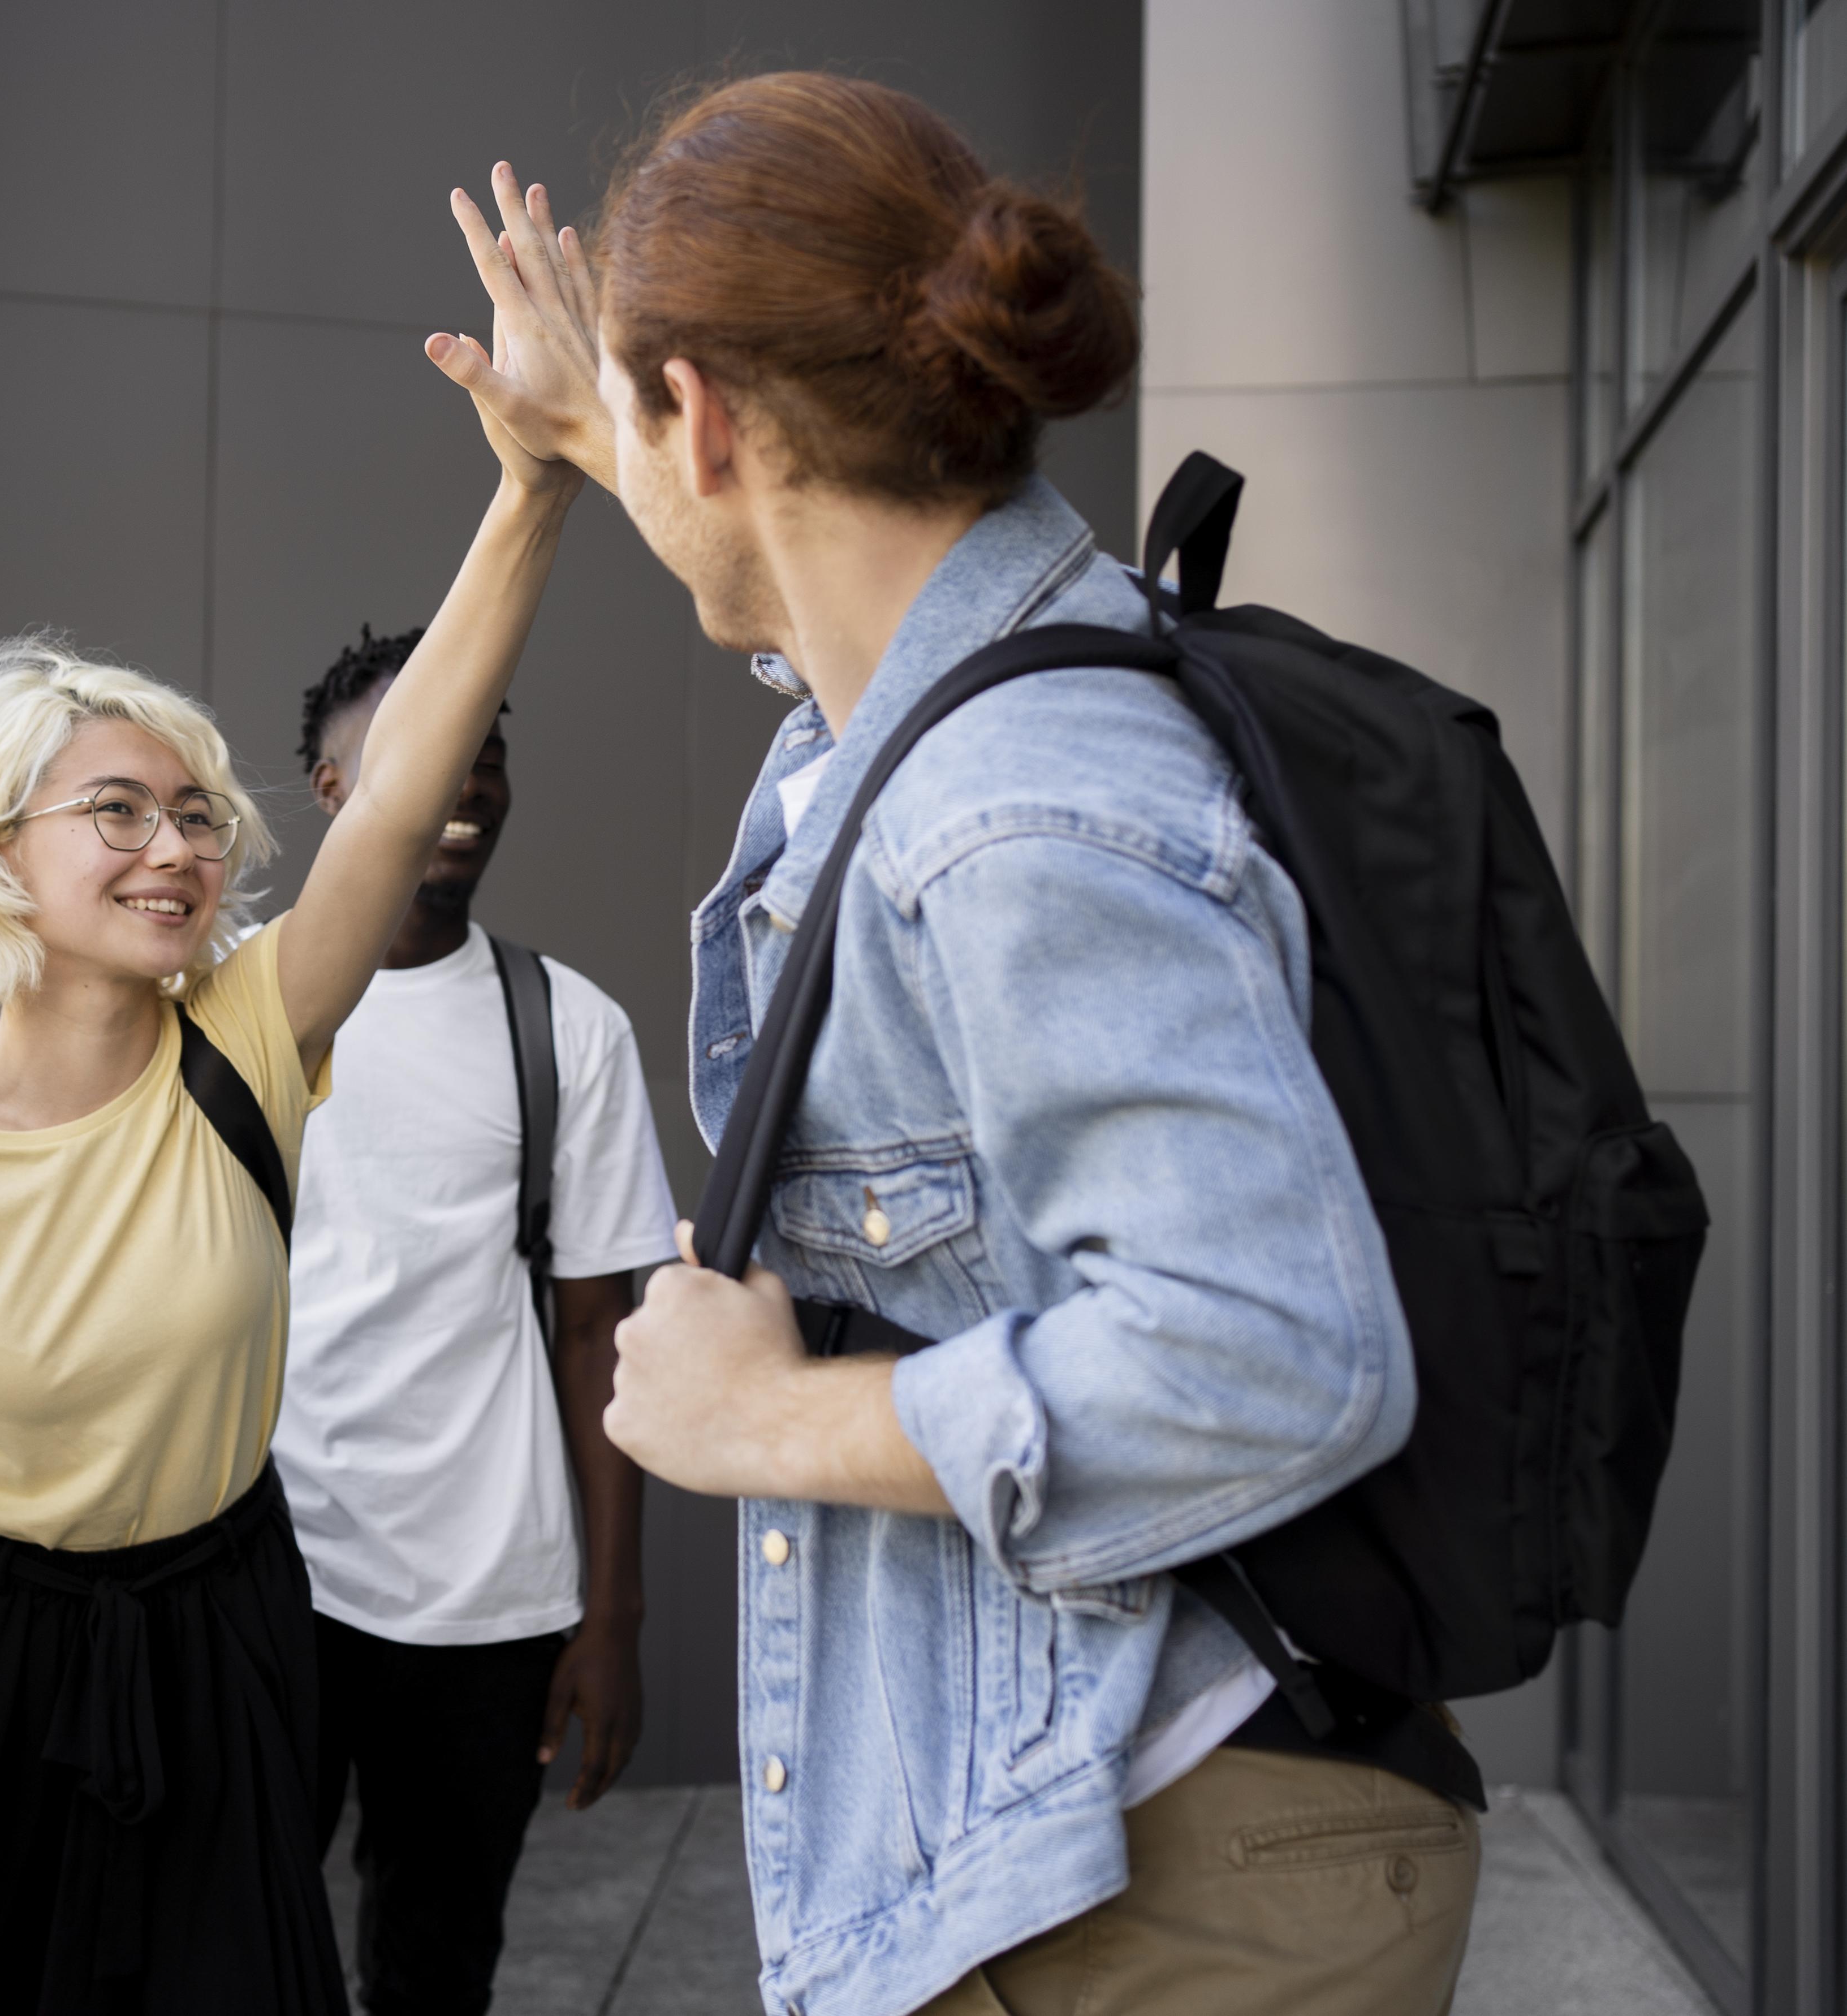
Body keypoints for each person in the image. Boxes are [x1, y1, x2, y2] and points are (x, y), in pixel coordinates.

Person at [423, 81, 1481, 2016]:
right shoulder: (967, 692)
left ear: (717, 422)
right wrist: (600, 426)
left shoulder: (1009, 807)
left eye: (660, 418)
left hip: (1154, 1881)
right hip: (1094, 1833)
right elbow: (841, 664)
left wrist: (768, 1423)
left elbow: (1273, 1350)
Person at [0, 368, 585, 2009]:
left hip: (221, 1638)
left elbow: (406, 779)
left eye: (197, 813)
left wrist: (531, 487)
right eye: (116, 809)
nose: (176, 846)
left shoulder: (249, 1045)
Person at [279, 624, 676, 2013]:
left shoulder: (568, 1026)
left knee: (436, 1968)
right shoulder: (233, 1006)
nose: (461, 775)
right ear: (332, 792)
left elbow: (597, 1334)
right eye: (420, 748)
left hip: (487, 1601)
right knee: (247, 1948)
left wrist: (611, 1613)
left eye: (485, 749)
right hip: (270, 1576)